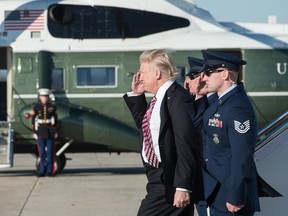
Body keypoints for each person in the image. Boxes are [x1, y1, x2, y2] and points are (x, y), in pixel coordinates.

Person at [123, 49, 202, 216]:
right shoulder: (161, 97)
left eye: (143, 72)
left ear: (157, 73)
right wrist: (137, 96)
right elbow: (148, 130)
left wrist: (183, 186)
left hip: (170, 178)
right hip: (156, 176)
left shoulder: (177, 98)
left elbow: (185, 143)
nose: (139, 76)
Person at [195, 50, 260, 216]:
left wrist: (236, 194)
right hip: (215, 191)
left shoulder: (238, 107)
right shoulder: (220, 103)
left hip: (229, 196)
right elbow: (199, 128)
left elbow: (242, 154)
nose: (204, 77)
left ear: (224, 74)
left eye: (209, 72)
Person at [32, 88, 58, 177]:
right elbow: (33, 119)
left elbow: (55, 119)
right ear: (40, 97)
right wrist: (34, 131)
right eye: (43, 96)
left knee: (50, 152)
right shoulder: (36, 107)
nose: (44, 98)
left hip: (49, 131)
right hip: (40, 131)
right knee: (42, 153)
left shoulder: (52, 107)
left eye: (46, 96)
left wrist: (55, 130)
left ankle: (50, 171)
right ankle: (42, 171)